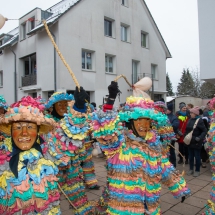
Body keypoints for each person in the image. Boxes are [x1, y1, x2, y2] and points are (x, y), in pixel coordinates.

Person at [93, 80, 190, 215]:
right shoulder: (118, 144)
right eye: (139, 120)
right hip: (124, 209)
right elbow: (105, 133)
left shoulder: (153, 143)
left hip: (150, 206)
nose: (144, 124)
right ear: (130, 122)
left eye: (147, 120)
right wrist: (109, 103)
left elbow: (164, 167)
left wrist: (179, 188)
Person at [0, 96, 61, 214]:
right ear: (11, 131)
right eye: (18, 127)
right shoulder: (2, 157)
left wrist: (78, 108)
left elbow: (66, 145)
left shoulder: (47, 153)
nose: (24, 133)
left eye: (30, 127)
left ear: (38, 132)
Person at [185, 106, 207, 177]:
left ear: (195, 114)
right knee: (190, 157)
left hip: (197, 142)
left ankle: (197, 170)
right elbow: (187, 130)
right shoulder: (190, 120)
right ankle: (191, 169)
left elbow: (204, 131)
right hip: (190, 141)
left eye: (191, 113)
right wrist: (185, 136)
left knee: (197, 157)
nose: (190, 114)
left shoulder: (199, 120)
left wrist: (200, 137)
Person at [166, 103, 179, 168]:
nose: (165, 110)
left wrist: (167, 126)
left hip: (171, 138)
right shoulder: (164, 116)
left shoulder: (174, 117)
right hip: (164, 137)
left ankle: (173, 165)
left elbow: (176, 125)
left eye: (167, 109)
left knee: (171, 151)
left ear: (170, 110)